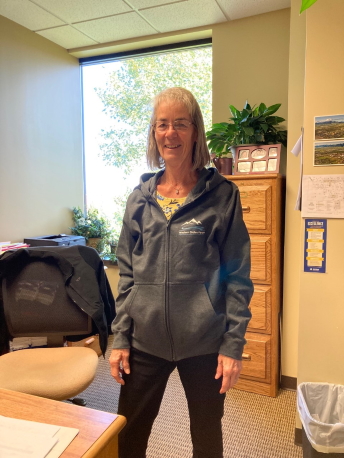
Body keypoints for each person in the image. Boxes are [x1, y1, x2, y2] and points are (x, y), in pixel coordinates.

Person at [109, 87, 253, 458]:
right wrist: (120, 337)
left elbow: (237, 276)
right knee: (128, 435)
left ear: (195, 131)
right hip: (144, 341)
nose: (170, 133)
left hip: (204, 342)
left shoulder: (222, 196)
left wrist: (232, 344)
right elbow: (127, 275)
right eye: (162, 125)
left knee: (207, 438)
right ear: (154, 134)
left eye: (180, 124)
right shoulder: (139, 199)